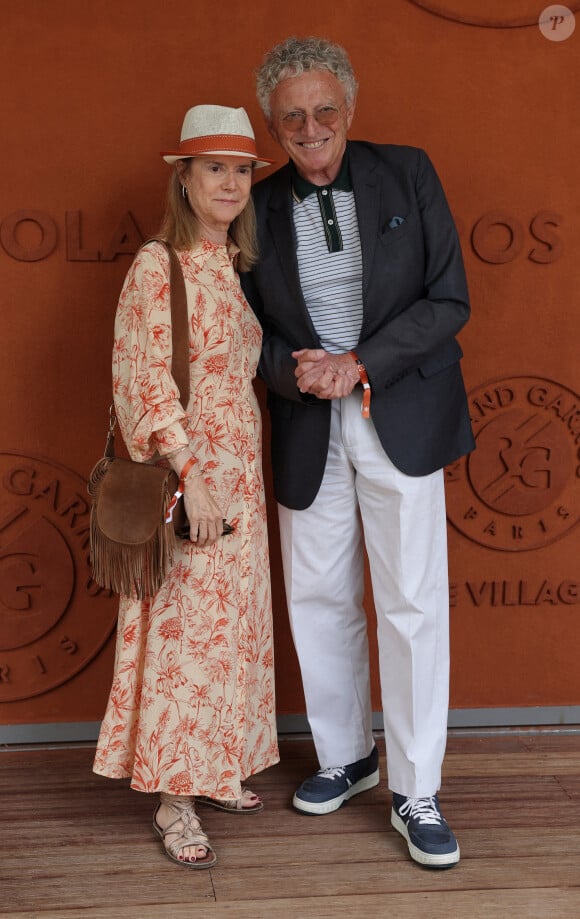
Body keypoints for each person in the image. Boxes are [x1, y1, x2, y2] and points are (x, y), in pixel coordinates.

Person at [240, 37, 475, 869]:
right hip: (310, 422)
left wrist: (359, 362)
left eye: (323, 111)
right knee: (316, 593)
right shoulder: (255, 205)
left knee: (411, 602)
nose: (310, 129)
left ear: (350, 110)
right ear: (274, 127)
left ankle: (416, 787)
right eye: (291, 118)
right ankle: (348, 754)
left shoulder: (407, 171)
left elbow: (450, 299)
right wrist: (297, 373)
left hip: (397, 412)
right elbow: (244, 332)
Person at [93, 105, 279, 869]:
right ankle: (176, 797)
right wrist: (192, 479)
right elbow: (141, 382)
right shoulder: (156, 263)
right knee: (183, 639)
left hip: (242, 478)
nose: (231, 182)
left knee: (228, 630)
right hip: (195, 480)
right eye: (214, 168)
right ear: (185, 179)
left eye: (241, 169)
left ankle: (216, 767)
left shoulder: (227, 267)